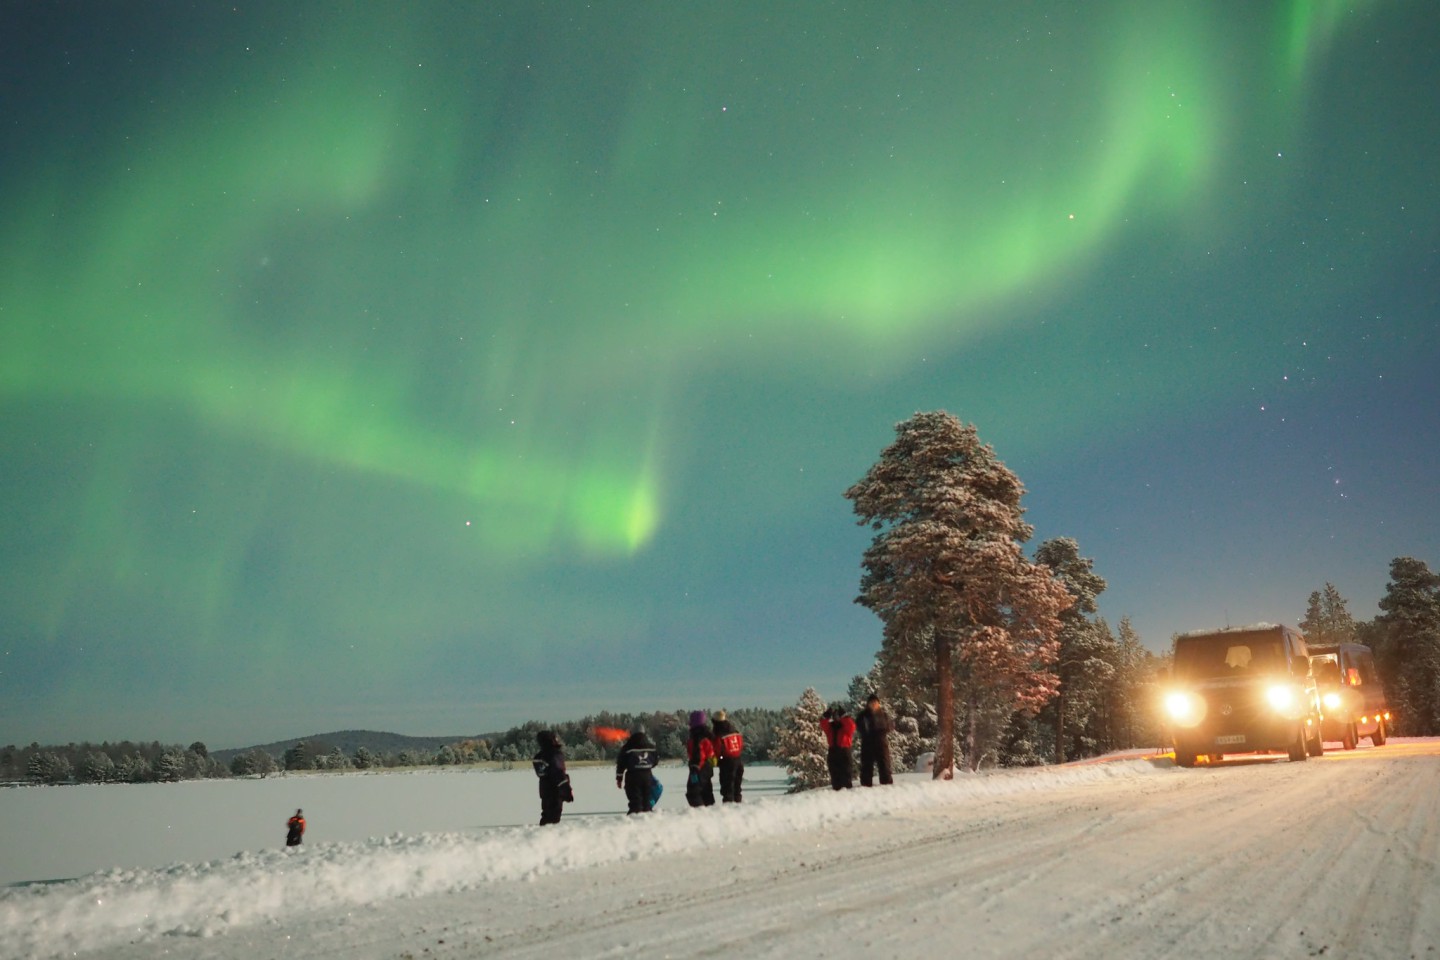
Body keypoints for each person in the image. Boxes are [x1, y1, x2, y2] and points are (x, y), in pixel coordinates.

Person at [532, 730, 573, 826]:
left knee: (546, 817)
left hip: (544, 792)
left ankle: (541, 837)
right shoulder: (554, 754)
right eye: (555, 738)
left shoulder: (539, 757)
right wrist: (566, 790)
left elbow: (543, 774)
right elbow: (558, 773)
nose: (557, 740)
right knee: (553, 820)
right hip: (555, 792)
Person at [615, 726, 659, 814]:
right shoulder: (651, 747)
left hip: (633, 777)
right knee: (646, 801)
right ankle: (647, 819)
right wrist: (647, 766)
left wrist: (619, 778)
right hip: (647, 776)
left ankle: (634, 821)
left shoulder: (627, 747)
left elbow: (621, 764)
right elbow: (656, 760)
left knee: (635, 802)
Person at [856, 693, 894, 786]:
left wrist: (882, 732)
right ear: (868, 704)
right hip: (867, 743)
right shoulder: (863, 715)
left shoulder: (884, 714)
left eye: (875, 702)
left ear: (878, 704)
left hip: (881, 743)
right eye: (871, 702)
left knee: (884, 764)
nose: (873, 704)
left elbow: (890, 726)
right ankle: (866, 784)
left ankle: (887, 784)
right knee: (866, 765)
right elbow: (859, 726)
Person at [710, 709, 745, 803]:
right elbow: (741, 745)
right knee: (737, 787)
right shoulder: (735, 731)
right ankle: (738, 804)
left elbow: (716, 750)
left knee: (727, 787)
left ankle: (728, 808)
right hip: (738, 760)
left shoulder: (718, 734)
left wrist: (718, 760)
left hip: (727, 762)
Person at [685, 710, 717, 807]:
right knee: (706, 791)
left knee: (693, 792)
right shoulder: (707, 735)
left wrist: (695, 767)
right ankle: (710, 811)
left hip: (699, 768)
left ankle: (699, 813)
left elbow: (698, 753)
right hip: (708, 767)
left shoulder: (697, 737)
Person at [820, 705, 856, 790]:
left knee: (846, 774)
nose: (836, 718)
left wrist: (845, 716)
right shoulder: (830, 726)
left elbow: (852, 726)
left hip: (844, 751)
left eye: (838, 716)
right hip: (833, 751)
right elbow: (823, 724)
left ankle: (847, 792)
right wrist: (825, 716)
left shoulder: (846, 726)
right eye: (834, 716)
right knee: (835, 775)